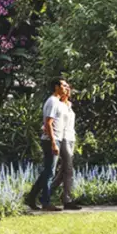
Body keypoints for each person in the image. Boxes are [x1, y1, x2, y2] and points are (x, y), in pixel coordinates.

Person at [24, 78, 70, 211]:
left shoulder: (59, 102)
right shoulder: (52, 102)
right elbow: (48, 123)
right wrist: (53, 143)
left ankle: (31, 197)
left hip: (57, 138)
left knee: (48, 171)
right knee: (49, 172)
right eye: (63, 85)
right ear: (56, 87)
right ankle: (45, 202)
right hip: (51, 140)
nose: (66, 87)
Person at [49, 80, 82, 210]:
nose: (68, 89)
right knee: (68, 170)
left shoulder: (69, 105)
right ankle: (67, 200)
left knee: (63, 171)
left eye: (69, 87)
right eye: (65, 87)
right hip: (63, 139)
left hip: (71, 138)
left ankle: (47, 193)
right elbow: (54, 122)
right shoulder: (59, 105)